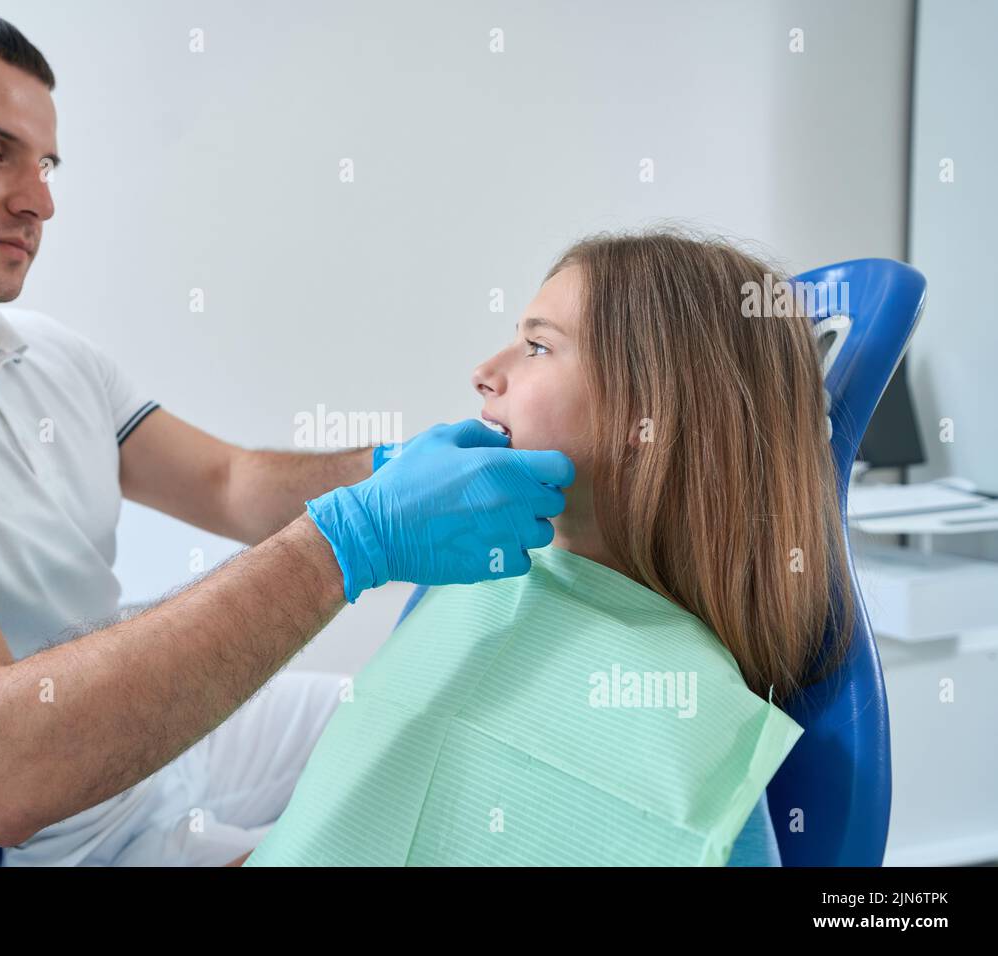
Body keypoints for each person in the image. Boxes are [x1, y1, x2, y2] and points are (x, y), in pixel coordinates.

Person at [0, 0, 570, 866]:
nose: (40, 200)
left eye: (46, 163)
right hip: (62, 838)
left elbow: (228, 482)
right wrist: (356, 540)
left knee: (444, 737)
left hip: (164, 757)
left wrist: (399, 469)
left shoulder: (45, 353)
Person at [243, 231, 857, 866]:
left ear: (650, 412)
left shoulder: (694, 746)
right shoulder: (467, 589)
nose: (483, 375)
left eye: (538, 346)